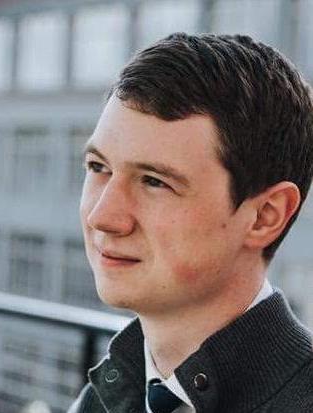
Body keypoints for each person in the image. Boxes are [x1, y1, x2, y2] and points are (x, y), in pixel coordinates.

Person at [69, 33, 313, 413]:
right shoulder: (105, 395)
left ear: (265, 216)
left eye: (154, 181)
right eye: (98, 167)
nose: (102, 217)